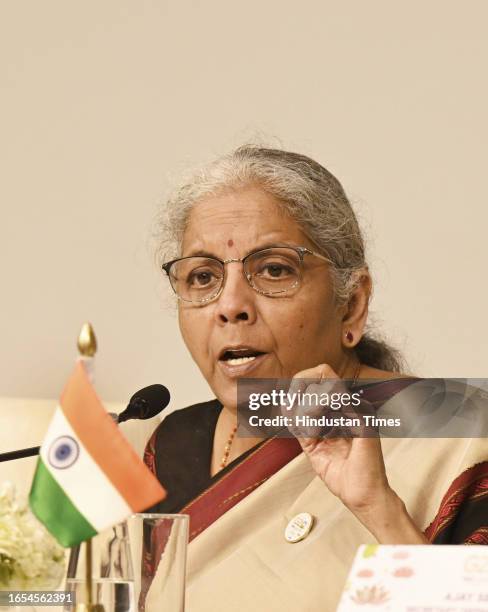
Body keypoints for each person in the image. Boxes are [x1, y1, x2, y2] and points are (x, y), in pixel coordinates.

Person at [143, 145, 488, 612]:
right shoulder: (163, 448)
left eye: (273, 269)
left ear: (352, 304)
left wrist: (378, 509)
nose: (230, 306)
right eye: (202, 278)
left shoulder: (464, 434)